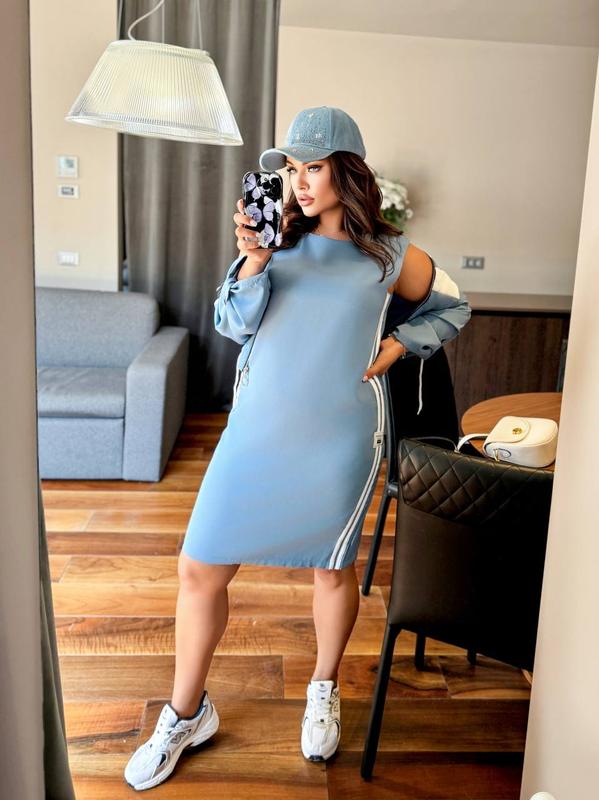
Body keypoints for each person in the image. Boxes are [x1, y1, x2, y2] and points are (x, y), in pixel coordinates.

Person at [124, 106, 471, 792]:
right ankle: (186, 714)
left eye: (313, 167)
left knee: (331, 571)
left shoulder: (390, 256)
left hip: (341, 438)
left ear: (348, 171)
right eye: (290, 168)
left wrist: (401, 344)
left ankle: (322, 687)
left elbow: (453, 307)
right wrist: (254, 259)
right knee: (199, 567)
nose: (299, 182)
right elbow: (231, 323)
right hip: (255, 433)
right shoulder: (273, 242)